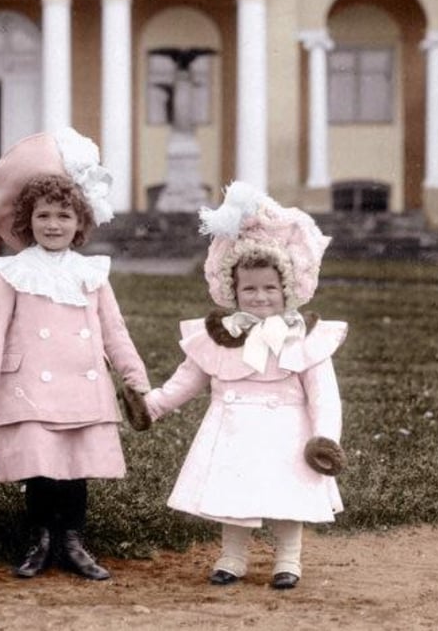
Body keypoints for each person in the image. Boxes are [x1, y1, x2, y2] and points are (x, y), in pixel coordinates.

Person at [0, 128, 151, 581]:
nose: (53, 225)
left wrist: (134, 376)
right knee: (41, 468)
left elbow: (114, 330)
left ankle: (72, 540)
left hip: (81, 384)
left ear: (79, 223)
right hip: (30, 386)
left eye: (64, 216)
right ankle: (41, 539)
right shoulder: (11, 272)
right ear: (28, 221)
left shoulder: (91, 274)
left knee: (74, 469)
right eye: (44, 216)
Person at [142, 180, 347, 590]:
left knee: (289, 496)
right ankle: (232, 557)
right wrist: (154, 404)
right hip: (234, 426)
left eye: (270, 288)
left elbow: (324, 394)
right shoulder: (221, 336)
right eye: (249, 288)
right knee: (231, 496)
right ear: (232, 291)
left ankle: (288, 560)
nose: (260, 297)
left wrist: (325, 437)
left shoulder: (303, 338)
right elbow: (189, 377)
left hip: (288, 429)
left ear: (286, 289)